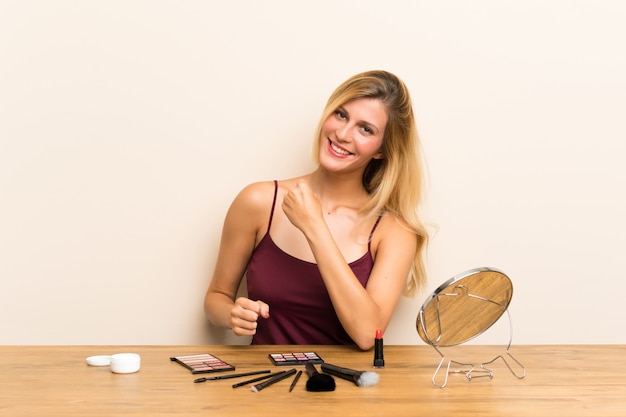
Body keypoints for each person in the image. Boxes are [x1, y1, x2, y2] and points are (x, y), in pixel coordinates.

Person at [204, 70, 428, 350]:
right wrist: (231, 314)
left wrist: (314, 226)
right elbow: (216, 297)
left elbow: (368, 334)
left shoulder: (394, 230)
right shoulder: (259, 201)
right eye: (341, 115)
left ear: (382, 150)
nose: (343, 134)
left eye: (365, 129)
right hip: (262, 386)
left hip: (347, 389)